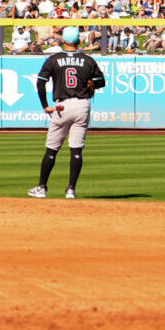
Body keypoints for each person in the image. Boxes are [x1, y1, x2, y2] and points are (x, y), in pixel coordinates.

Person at [28, 27, 105, 200]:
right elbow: (101, 81)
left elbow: (40, 83)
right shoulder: (88, 60)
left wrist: (45, 106)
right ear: (79, 41)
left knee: (52, 149)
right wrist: (91, 82)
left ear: (63, 41)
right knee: (76, 149)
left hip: (62, 106)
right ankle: (71, 190)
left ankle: (42, 188)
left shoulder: (54, 59)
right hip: (82, 105)